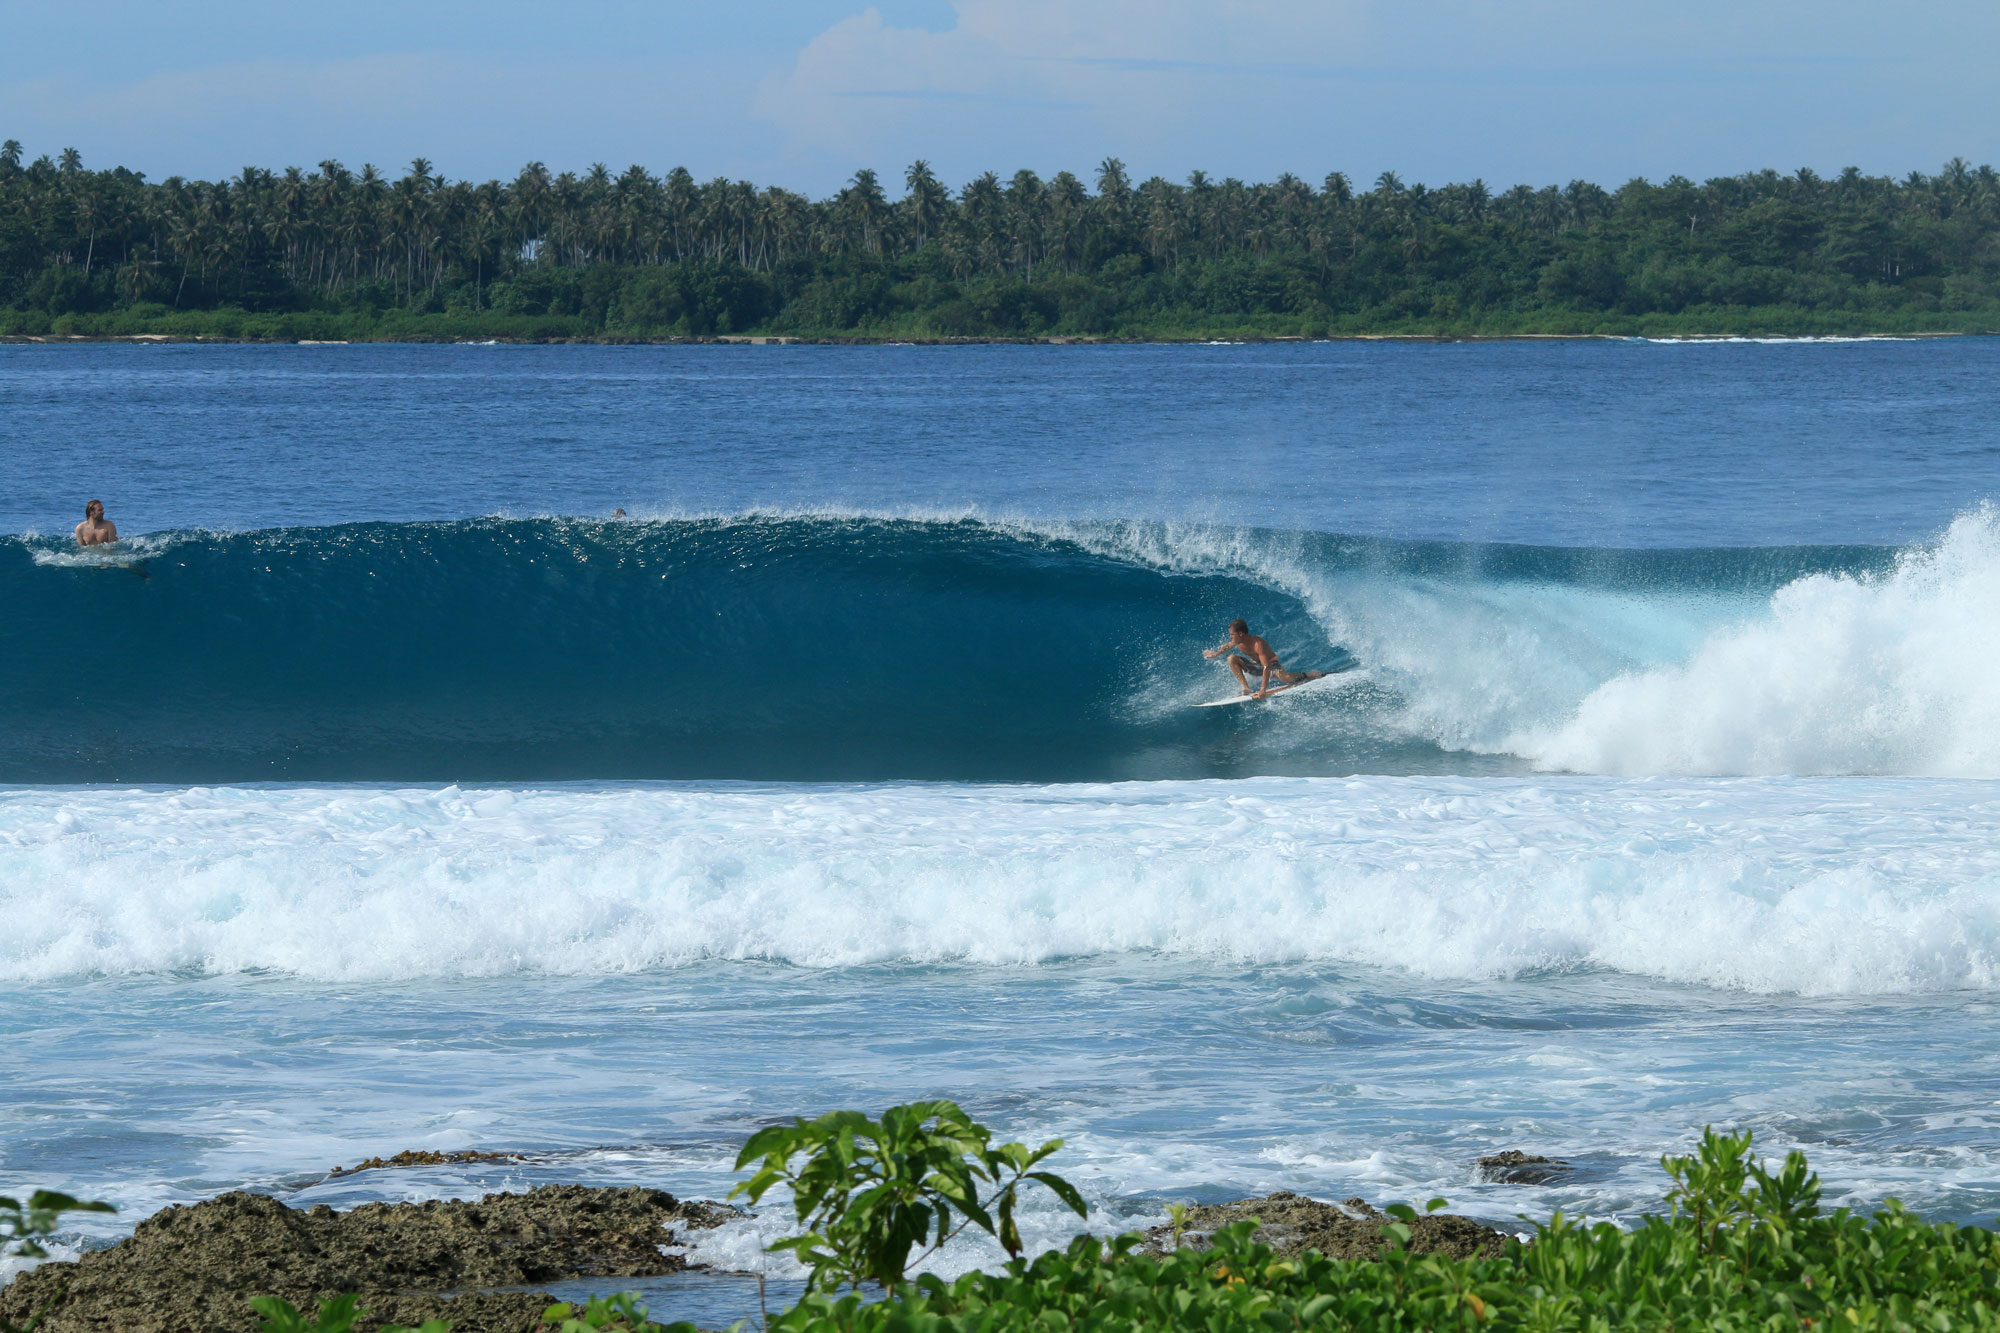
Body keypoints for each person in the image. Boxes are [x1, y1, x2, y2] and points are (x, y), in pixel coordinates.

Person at [1204, 619, 1323, 699]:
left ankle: (1307, 675)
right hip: (1257, 665)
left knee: (1286, 678)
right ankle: (1246, 688)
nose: (1230, 637)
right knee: (1231, 658)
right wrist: (1215, 654)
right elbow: (1227, 646)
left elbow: (1267, 667)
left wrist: (1262, 690)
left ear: (1240, 633)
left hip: (1271, 665)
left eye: (1232, 634)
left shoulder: (1257, 644)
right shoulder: (1237, 641)